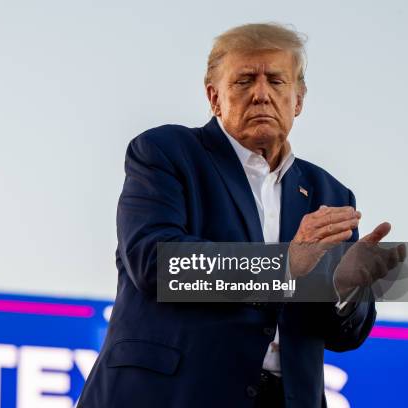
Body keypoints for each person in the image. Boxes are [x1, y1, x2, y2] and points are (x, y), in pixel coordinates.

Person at [77, 23, 401, 407]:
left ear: (298, 99)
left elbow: (346, 336)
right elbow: (158, 265)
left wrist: (344, 287)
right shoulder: (165, 152)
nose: (261, 94)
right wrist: (285, 264)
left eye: (277, 81)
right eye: (245, 80)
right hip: (173, 395)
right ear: (214, 98)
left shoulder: (328, 193)